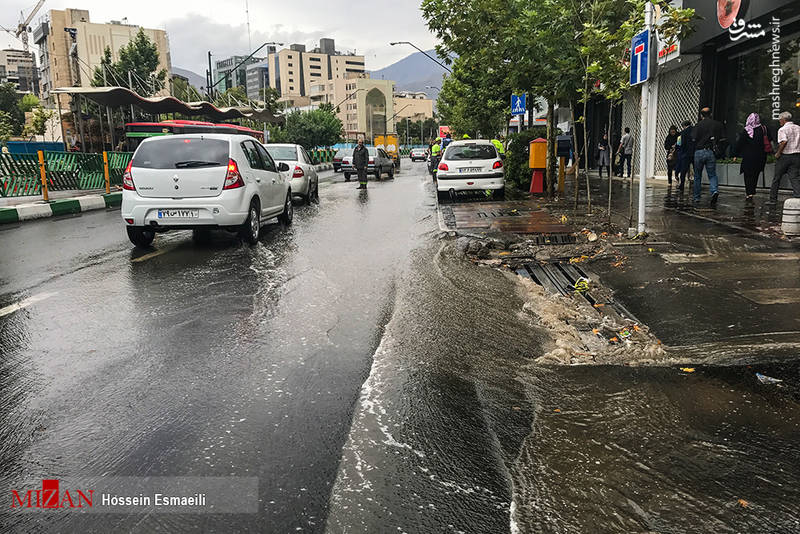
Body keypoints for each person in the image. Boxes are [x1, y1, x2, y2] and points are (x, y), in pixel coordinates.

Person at [692, 107, 725, 206]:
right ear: (710, 114)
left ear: (701, 115)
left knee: (697, 176)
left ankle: (697, 197)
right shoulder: (717, 125)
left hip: (699, 151)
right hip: (710, 152)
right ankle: (714, 191)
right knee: (712, 174)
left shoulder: (698, 125)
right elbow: (723, 139)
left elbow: (693, 139)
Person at [734, 113, 769, 200]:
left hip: (748, 156)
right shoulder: (764, 129)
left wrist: (735, 154)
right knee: (755, 173)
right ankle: (752, 190)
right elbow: (769, 139)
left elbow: (740, 143)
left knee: (748, 174)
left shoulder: (746, 130)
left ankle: (749, 193)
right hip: (761, 156)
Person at [769, 110, 800, 204]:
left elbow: (784, 141)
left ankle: (773, 199)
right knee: (794, 177)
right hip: (797, 156)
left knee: (776, 178)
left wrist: (778, 153)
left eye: (780, 120)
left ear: (783, 120)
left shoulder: (782, 130)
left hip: (785, 156)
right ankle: (798, 196)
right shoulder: (798, 128)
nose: (779, 122)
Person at [675, 120, 695, 192]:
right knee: (696, 170)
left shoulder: (682, 133)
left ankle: (682, 185)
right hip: (694, 153)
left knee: (683, 170)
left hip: (685, 154)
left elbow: (680, 144)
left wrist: (681, 152)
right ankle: (696, 185)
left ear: (683, 126)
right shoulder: (695, 130)